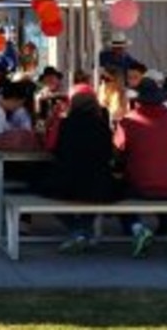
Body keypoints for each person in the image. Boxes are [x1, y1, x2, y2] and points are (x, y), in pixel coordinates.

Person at [113, 78, 167, 257]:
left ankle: (136, 227)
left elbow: (117, 151)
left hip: (144, 186)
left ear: (138, 100)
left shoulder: (129, 120)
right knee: (164, 180)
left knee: (118, 191)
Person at [36, 84, 119, 253]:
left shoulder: (65, 124)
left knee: (42, 194)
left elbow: (53, 148)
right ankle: (83, 230)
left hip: (68, 183)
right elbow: (110, 154)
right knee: (98, 198)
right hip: (99, 182)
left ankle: (77, 230)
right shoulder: (103, 126)